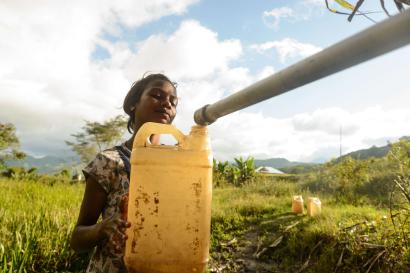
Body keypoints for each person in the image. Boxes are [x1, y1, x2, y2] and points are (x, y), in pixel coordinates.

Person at [70, 73, 178, 273]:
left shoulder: (177, 165)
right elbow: (77, 240)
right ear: (132, 105)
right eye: (157, 95)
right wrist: (102, 229)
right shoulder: (108, 162)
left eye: (173, 101)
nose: (167, 104)